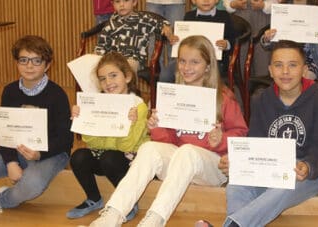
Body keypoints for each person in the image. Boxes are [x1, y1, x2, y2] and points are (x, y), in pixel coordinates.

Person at [88, 35, 248, 227]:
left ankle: (154, 220)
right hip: (180, 163)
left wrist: (221, 139)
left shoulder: (223, 98)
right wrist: (156, 129)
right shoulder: (173, 96)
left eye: (194, 62)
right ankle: (112, 215)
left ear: (208, 66)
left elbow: (241, 134)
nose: (186, 67)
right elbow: (167, 142)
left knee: (187, 151)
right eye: (182, 61)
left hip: (213, 166)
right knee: (149, 148)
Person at [221, 40, 318, 227]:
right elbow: (255, 144)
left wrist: (308, 165)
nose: (285, 72)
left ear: (305, 70)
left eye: (293, 65)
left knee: (285, 184)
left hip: (306, 172)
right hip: (270, 168)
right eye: (279, 65)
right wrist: (238, 161)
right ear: (270, 70)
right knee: (234, 185)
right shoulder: (261, 99)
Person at [0, 35, 73, 212]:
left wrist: (39, 154)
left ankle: (1, 198)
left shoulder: (57, 94)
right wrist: (11, 163)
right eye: (24, 60)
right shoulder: (10, 91)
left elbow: (65, 139)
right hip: (16, 148)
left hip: (51, 153)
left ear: (48, 65)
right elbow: (5, 132)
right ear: (17, 62)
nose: (29, 66)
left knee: (31, 185)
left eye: (36, 61)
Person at [66, 52, 148, 220]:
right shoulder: (99, 104)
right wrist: (83, 120)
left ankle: (128, 202)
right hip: (107, 154)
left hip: (129, 159)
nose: (108, 82)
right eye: (103, 79)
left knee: (109, 157)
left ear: (127, 77)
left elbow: (128, 146)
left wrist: (129, 124)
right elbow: (92, 142)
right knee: (79, 156)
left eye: (113, 75)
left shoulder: (138, 106)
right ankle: (94, 198)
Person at [94, 0, 172, 73]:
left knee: (126, 67)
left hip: (134, 60)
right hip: (113, 60)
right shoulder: (110, 24)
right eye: (117, 1)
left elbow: (161, 23)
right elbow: (101, 45)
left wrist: (166, 26)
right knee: (93, 64)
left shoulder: (143, 19)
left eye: (126, 0)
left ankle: (126, 86)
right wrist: (98, 55)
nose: (122, 5)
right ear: (112, 4)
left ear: (134, 2)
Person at [170, 0, 236, 77]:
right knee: (166, 74)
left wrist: (226, 44)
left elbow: (233, 39)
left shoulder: (224, 16)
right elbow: (182, 40)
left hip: (214, 62)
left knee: (211, 73)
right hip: (189, 61)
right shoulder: (189, 16)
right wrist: (175, 39)